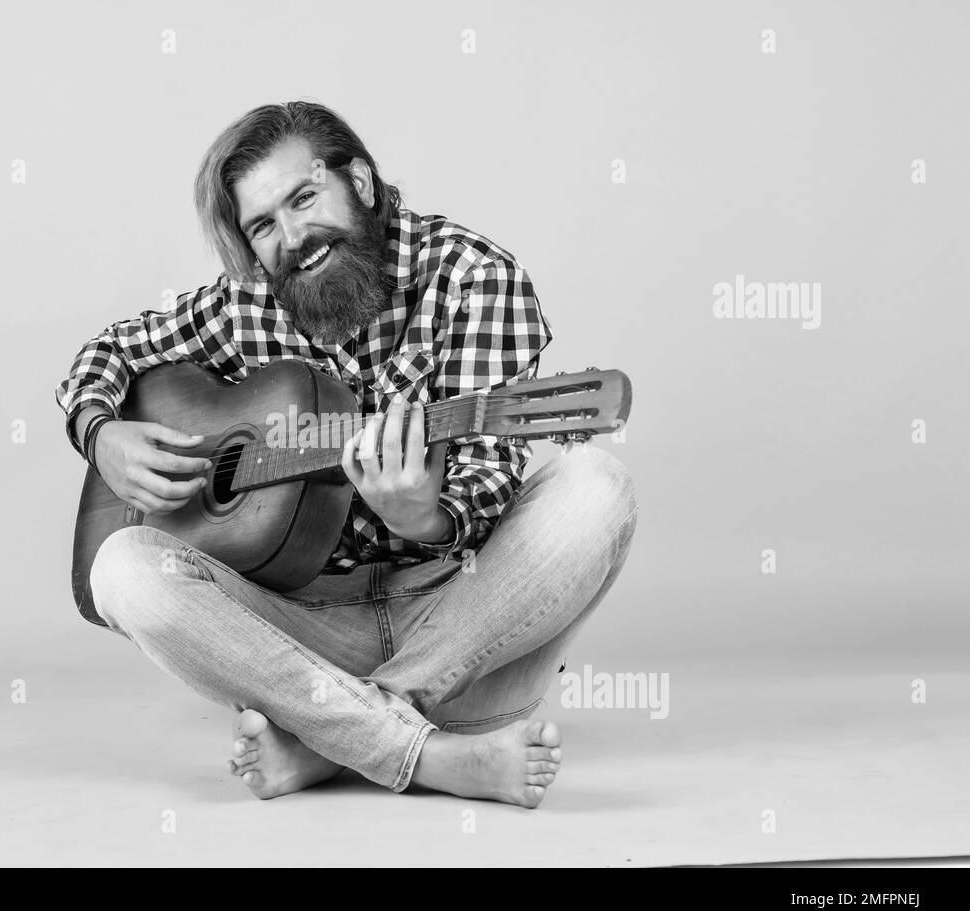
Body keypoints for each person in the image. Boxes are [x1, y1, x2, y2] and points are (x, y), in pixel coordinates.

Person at [55, 101, 637, 808]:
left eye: (304, 198)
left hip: (458, 622)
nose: (293, 237)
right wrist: (99, 430)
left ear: (359, 179)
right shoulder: (247, 300)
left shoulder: (474, 279)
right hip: (304, 631)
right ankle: (424, 750)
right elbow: (109, 352)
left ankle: (329, 740)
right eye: (263, 225)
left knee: (597, 484)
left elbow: (485, 483)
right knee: (122, 565)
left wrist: (425, 516)